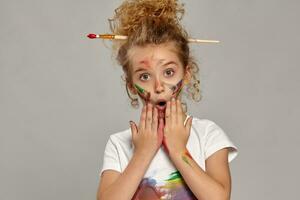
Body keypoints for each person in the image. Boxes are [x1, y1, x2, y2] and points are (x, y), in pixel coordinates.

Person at [95, 0, 238, 199]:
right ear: (130, 84)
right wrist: (142, 153)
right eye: (145, 76)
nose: (159, 86)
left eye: (169, 72)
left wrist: (179, 150)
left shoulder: (207, 135)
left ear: (186, 74)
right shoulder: (119, 144)